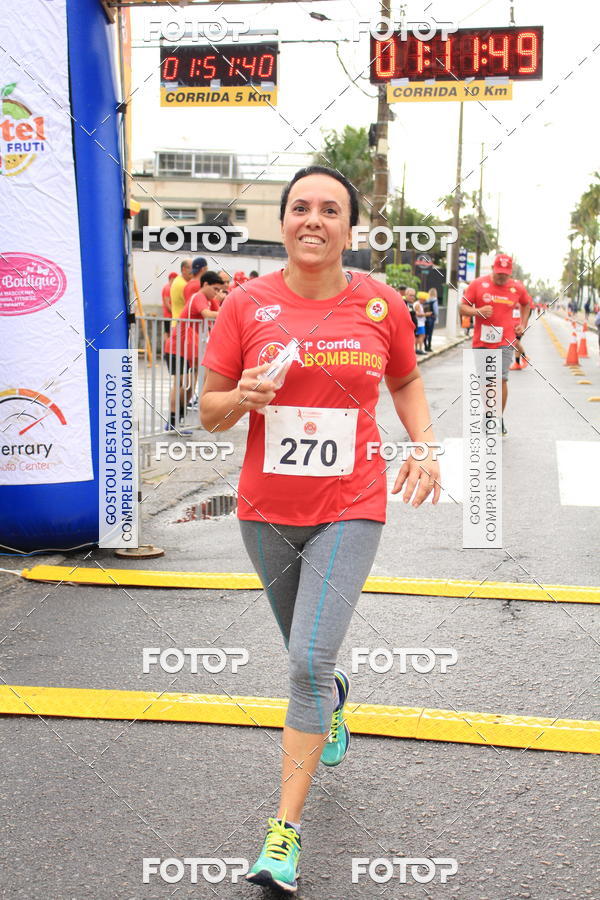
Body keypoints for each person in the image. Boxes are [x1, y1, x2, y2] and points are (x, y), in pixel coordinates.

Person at [200, 165, 441, 894]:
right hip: (265, 512)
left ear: (349, 227)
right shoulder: (245, 307)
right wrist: (241, 394)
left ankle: (284, 835)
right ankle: (332, 692)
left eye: (329, 209)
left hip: (351, 504)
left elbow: (404, 379)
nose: (314, 219)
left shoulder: (380, 304)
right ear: (283, 223)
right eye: (300, 207)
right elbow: (208, 410)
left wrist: (424, 443)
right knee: (307, 656)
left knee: (302, 662)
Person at [459, 253, 531, 436]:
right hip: (482, 340)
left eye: (505, 274)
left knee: (500, 379)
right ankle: (489, 412)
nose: (501, 277)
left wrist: (523, 323)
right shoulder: (478, 284)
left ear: (510, 273)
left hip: (505, 340)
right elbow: (462, 307)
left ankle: (497, 417)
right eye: (499, 273)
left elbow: (526, 304)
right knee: (485, 381)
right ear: (493, 269)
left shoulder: (517, 288)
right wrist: (478, 311)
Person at [164, 271, 224, 430]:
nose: (217, 293)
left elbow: (217, 317)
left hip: (193, 349)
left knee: (190, 387)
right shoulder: (198, 297)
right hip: (178, 347)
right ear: (205, 285)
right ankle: (172, 421)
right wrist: (228, 311)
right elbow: (209, 315)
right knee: (182, 384)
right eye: (215, 289)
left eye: (219, 290)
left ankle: (180, 419)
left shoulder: (211, 300)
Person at [423, 287, 439, 352]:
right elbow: (436, 311)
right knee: (430, 333)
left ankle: (425, 345)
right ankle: (429, 347)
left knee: (425, 333)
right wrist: (436, 317)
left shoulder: (426, 300)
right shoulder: (435, 300)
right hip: (431, 318)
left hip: (425, 317)